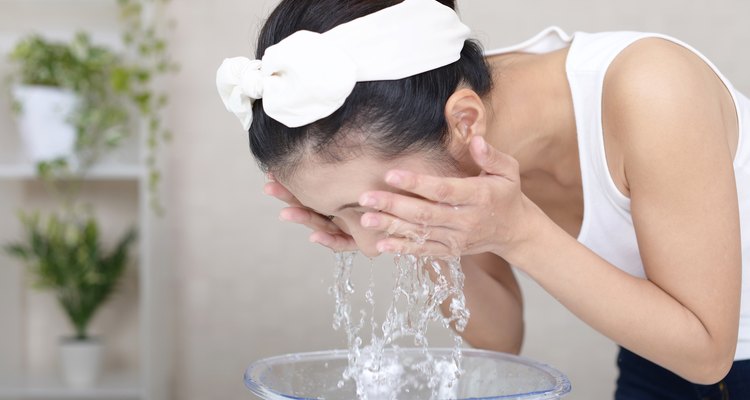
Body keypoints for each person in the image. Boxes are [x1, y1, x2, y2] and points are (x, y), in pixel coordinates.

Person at [216, 0, 750, 398]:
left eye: (366, 205)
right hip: (656, 358)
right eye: (336, 215)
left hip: (703, 353)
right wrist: (415, 232)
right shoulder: (440, 121)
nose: (369, 245)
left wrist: (522, 233)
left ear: (464, 120)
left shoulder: (652, 87)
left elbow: (708, 353)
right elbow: (500, 338)